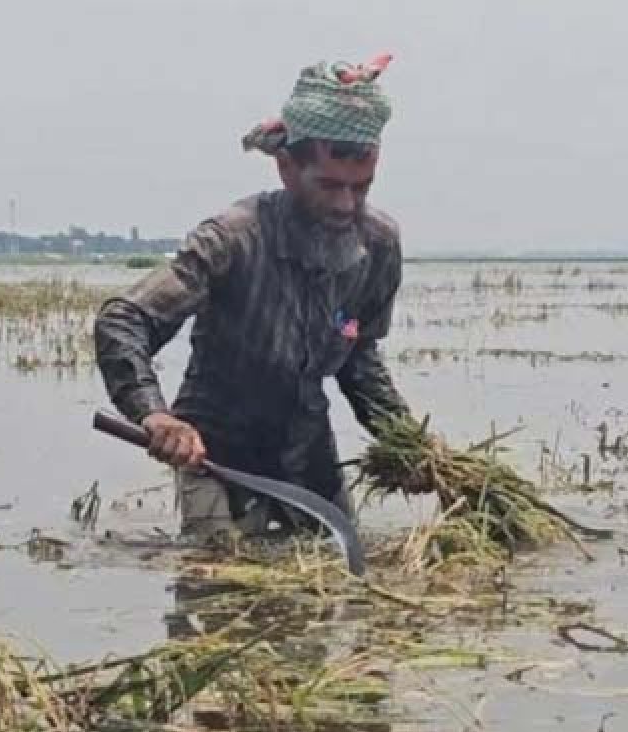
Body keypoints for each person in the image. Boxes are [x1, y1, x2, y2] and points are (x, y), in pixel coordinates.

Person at [94, 54, 413, 539]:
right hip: (215, 451)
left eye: (360, 188)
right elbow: (125, 320)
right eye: (328, 186)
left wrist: (410, 446)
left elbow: (358, 361)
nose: (345, 204)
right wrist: (155, 416)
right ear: (286, 167)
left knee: (341, 592)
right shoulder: (233, 238)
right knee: (216, 587)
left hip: (307, 452)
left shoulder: (379, 244)